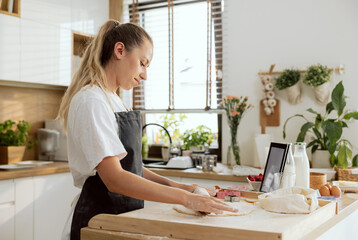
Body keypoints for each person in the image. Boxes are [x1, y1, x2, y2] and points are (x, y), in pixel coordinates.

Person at [58, 20, 237, 240]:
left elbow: (131, 168)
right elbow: (114, 178)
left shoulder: (115, 101)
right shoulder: (92, 101)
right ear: (120, 50)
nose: (145, 75)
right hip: (97, 221)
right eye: (142, 63)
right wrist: (186, 199)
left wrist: (182, 186)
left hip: (121, 218)